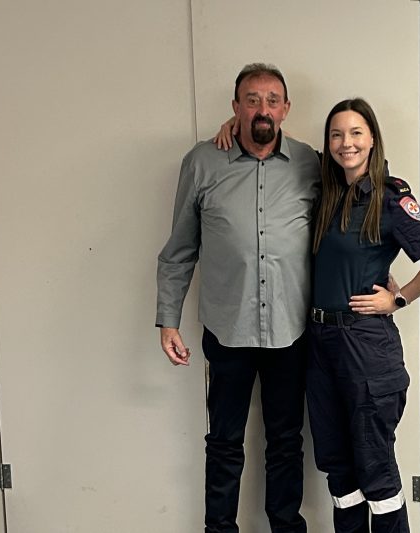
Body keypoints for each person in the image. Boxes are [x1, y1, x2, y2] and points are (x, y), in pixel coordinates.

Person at [156, 63, 320, 533]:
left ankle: (285, 527)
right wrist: (169, 320)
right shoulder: (202, 163)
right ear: (235, 108)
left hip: (291, 333)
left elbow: (353, 199)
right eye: (251, 100)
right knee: (224, 442)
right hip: (227, 331)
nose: (262, 109)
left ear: (286, 109)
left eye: (272, 100)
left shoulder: (310, 164)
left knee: (287, 442)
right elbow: (179, 250)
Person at [306, 98, 420, 532]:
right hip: (320, 346)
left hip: (365, 348)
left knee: (375, 469)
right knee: (338, 469)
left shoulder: (390, 198)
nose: (345, 143)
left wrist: (400, 298)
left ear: (372, 139)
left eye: (355, 133)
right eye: (336, 134)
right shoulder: (327, 191)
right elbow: (275, 144)